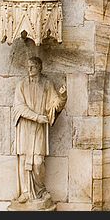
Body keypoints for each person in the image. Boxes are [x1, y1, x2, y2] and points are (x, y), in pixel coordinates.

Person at [11, 56, 67, 209]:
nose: (30, 70)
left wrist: (62, 97)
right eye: (28, 66)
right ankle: (26, 192)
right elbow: (19, 107)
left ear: (39, 68)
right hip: (25, 127)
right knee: (23, 161)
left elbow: (55, 105)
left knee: (37, 163)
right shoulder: (21, 85)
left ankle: (40, 190)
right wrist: (36, 117)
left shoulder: (46, 84)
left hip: (38, 130)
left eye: (33, 67)